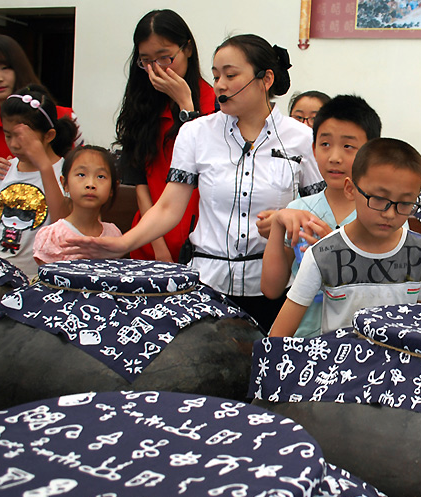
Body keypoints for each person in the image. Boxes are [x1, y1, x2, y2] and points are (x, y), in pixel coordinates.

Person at [65, 34, 324, 332]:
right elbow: (168, 208)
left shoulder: (302, 139)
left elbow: (319, 211)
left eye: (230, 75)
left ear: (265, 79)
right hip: (207, 284)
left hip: (274, 288)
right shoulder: (195, 133)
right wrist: (122, 244)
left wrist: (285, 220)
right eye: (216, 76)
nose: (220, 85)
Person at [268, 138, 421, 337]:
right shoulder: (322, 254)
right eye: (378, 199)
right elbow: (278, 336)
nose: (390, 214)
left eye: (405, 203)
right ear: (350, 189)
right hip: (339, 355)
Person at [262, 94, 382, 338]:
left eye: (348, 146)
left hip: (359, 342)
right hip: (305, 339)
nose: (334, 157)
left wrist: (336, 251)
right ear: (313, 149)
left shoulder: (382, 214)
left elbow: (383, 290)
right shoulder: (299, 208)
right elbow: (271, 289)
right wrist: (278, 223)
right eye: (325, 144)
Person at [0, 34, 81, 232]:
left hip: (54, 224)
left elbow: (84, 174)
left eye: (5, 67)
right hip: (3, 222)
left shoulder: (65, 117)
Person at [117, 9, 217, 263]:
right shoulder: (141, 107)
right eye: (146, 61)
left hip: (204, 244)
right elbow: (139, 182)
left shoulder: (217, 106)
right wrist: (158, 247)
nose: (156, 69)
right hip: (150, 242)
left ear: (188, 49)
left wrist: (186, 105)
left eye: (165, 58)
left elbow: (209, 169)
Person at [0, 85, 76, 278]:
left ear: (49, 136)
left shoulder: (66, 172)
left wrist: (43, 165)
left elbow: (62, 224)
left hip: (38, 279)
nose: (14, 144)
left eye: (22, 138)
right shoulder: (6, 167)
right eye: (8, 135)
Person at [34, 145, 122, 264]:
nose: (90, 184)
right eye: (81, 175)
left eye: (100, 176)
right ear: (65, 184)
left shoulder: (114, 234)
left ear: (112, 188)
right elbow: (47, 275)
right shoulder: (52, 236)